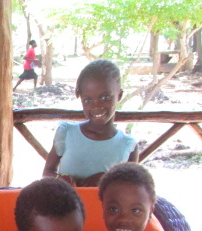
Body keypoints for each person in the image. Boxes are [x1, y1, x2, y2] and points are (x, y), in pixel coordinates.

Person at [42, 59, 139, 187]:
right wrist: (60, 179)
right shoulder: (67, 133)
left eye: (105, 97)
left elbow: (131, 189)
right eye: (88, 100)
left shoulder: (127, 146)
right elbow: (47, 172)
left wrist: (106, 181)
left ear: (119, 95)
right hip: (66, 200)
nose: (96, 106)